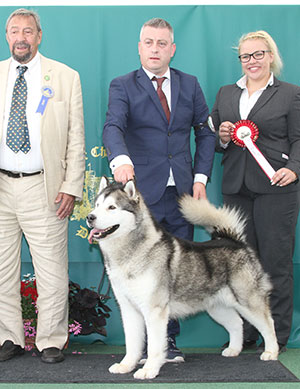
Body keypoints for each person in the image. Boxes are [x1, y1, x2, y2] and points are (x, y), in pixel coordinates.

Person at [103, 17, 215, 362]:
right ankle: (137, 347)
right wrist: (120, 159)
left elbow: (206, 133)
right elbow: (112, 126)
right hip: (140, 202)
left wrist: (200, 178)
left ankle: (168, 342)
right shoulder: (122, 85)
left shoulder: (191, 84)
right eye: (149, 42)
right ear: (140, 47)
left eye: (162, 43)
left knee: (173, 271)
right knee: (137, 271)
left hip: (181, 195)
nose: (155, 49)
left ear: (172, 49)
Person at [0, 9, 85, 363]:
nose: (21, 37)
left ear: (39, 36)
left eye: (28, 31)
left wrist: (71, 186)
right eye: (14, 31)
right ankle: (9, 337)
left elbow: (76, 139)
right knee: (2, 269)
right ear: (7, 36)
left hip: (45, 188)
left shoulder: (65, 77)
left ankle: (51, 339)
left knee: (52, 269)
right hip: (2, 187)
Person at [211, 30, 300, 353]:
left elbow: (299, 138)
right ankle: (245, 331)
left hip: (277, 187)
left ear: (271, 56)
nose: (252, 61)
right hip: (236, 189)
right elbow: (218, 140)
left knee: (275, 262)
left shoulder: (290, 94)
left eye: (258, 54)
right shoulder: (225, 94)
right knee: (239, 265)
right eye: (246, 56)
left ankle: (276, 333)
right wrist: (222, 136)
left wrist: (294, 169)